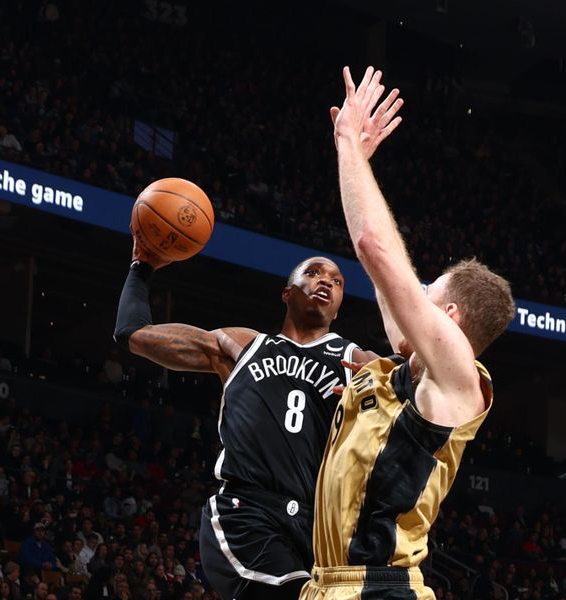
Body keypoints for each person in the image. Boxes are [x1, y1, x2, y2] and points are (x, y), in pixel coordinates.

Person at [113, 98, 400, 600]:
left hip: (318, 530)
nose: (325, 282)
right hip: (247, 514)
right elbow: (135, 336)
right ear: (286, 293)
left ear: (339, 307)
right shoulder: (239, 346)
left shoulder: (360, 363)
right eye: (312, 273)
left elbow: (418, 384)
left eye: (334, 279)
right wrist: (141, 266)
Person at [299, 66, 516, 600]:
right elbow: (383, 271)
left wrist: (348, 142)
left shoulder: (458, 373)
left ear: (451, 317)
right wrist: (365, 166)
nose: (414, 297)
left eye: (427, 293)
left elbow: (374, 247)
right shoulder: (415, 368)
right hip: (331, 585)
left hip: (379, 588)